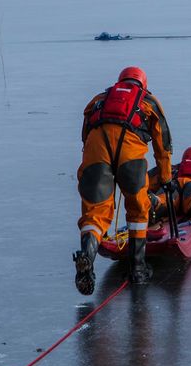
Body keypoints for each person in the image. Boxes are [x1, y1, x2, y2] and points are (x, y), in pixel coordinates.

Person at [74, 66, 172, 292]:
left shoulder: (100, 98)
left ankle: (86, 257)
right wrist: (165, 177)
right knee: (138, 209)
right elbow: (163, 142)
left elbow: (85, 133)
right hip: (130, 153)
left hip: (96, 152)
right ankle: (137, 270)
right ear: (143, 84)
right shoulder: (148, 101)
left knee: (95, 214)